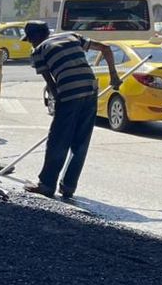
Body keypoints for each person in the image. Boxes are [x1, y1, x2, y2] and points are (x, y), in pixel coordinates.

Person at [22, 21, 120, 202]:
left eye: (30, 40)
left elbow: (51, 84)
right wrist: (114, 75)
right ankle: (68, 187)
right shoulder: (72, 36)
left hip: (69, 93)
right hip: (90, 90)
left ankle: (46, 184)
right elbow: (106, 48)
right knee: (80, 142)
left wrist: (58, 105)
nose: (31, 44)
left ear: (35, 37)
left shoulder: (38, 51)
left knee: (57, 140)